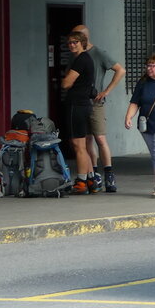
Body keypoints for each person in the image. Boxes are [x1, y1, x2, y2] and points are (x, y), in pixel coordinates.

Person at [72, 23, 125, 193]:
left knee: (100, 138)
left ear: (85, 37)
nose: (73, 42)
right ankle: (93, 174)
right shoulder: (76, 56)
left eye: (77, 38)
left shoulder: (98, 53)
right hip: (81, 102)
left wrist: (106, 91)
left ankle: (108, 173)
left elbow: (120, 70)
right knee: (87, 140)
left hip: (95, 102)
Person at [124, 53, 155, 197]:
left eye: (153, 65)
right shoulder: (143, 83)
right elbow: (135, 102)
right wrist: (128, 117)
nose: (149, 68)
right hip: (146, 123)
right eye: (148, 65)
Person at [61, 31, 99, 194]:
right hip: (84, 105)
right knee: (83, 144)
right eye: (69, 42)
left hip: (76, 105)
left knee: (78, 145)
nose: (72, 45)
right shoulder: (85, 59)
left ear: (82, 43)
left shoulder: (81, 60)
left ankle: (81, 181)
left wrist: (65, 79)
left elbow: (66, 83)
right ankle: (91, 179)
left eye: (75, 42)